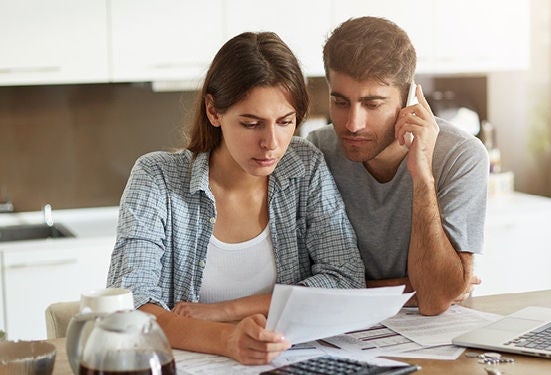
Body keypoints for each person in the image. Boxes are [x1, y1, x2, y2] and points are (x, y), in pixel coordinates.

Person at [107, 31, 365, 365]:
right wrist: (228, 339)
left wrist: (226, 311)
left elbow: (344, 280)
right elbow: (130, 303)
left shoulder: (305, 165)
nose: (271, 143)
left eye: (285, 122)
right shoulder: (157, 177)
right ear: (214, 111)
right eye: (251, 124)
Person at [307, 17, 488, 316]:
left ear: (408, 99)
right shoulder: (316, 152)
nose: (353, 124)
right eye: (340, 102)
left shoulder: (461, 155)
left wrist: (422, 177)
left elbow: (434, 300)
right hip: (338, 325)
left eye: (372, 104)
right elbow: (301, 287)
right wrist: (411, 289)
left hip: (433, 334)